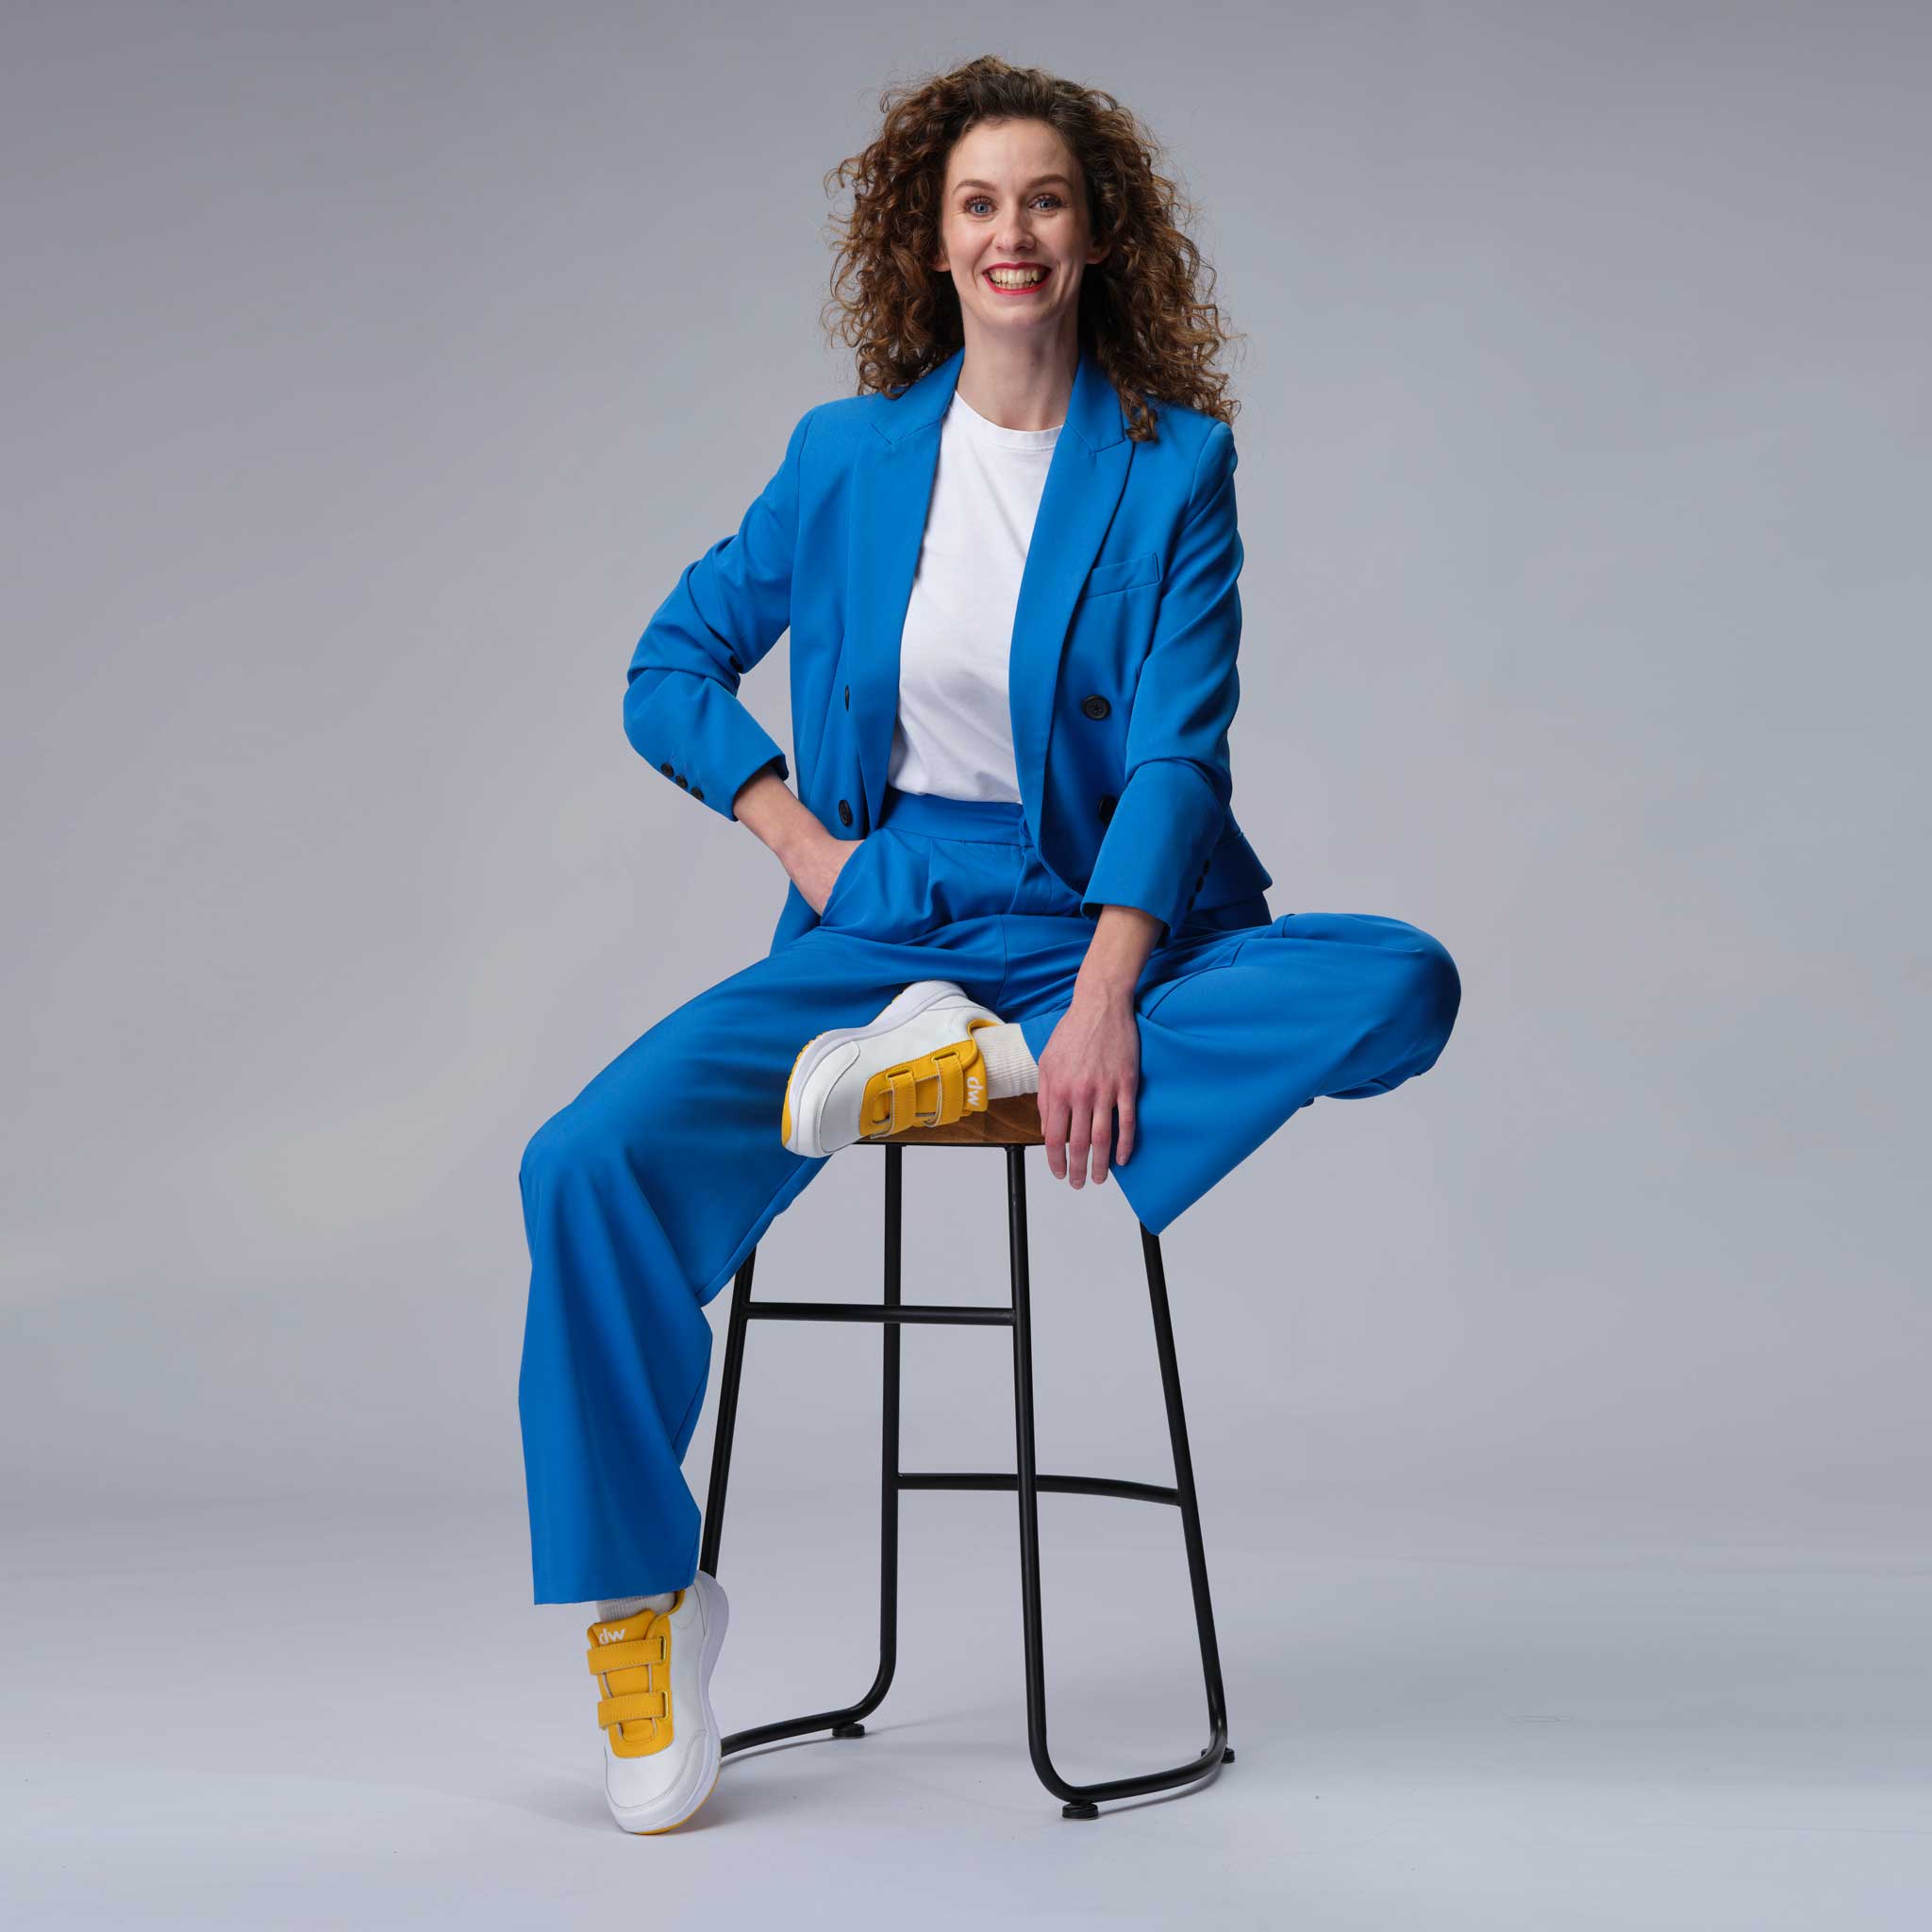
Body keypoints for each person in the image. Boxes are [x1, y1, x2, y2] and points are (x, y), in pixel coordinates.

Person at [518, 55, 1461, 1835]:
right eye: (977, 204)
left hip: (1103, 908)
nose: (1011, 231)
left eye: (1043, 200)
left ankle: (994, 1058)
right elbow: (671, 664)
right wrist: (801, 845)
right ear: (931, 242)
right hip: (884, 914)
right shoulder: (851, 457)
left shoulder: (1174, 466)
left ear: (1099, 235)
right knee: (581, 1163)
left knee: (1403, 977)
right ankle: (645, 1601)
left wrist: (1105, 994)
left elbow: (1181, 751)